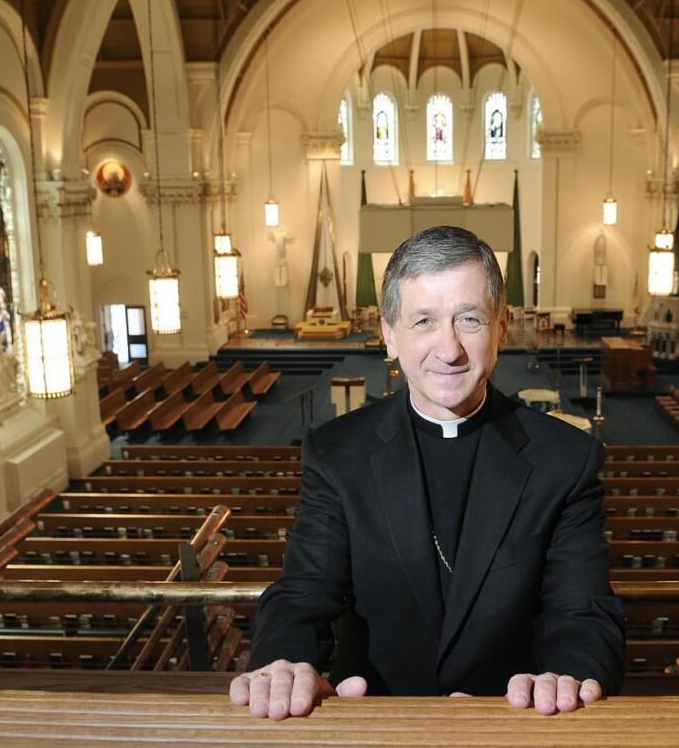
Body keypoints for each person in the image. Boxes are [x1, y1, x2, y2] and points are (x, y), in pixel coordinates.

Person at [231, 226, 624, 719]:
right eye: (423, 321)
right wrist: (284, 664)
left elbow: (582, 613)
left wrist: (564, 679)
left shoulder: (566, 459)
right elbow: (302, 592)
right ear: (389, 336)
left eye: (469, 319)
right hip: (373, 719)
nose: (449, 349)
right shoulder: (337, 453)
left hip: (513, 721)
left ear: (501, 329)